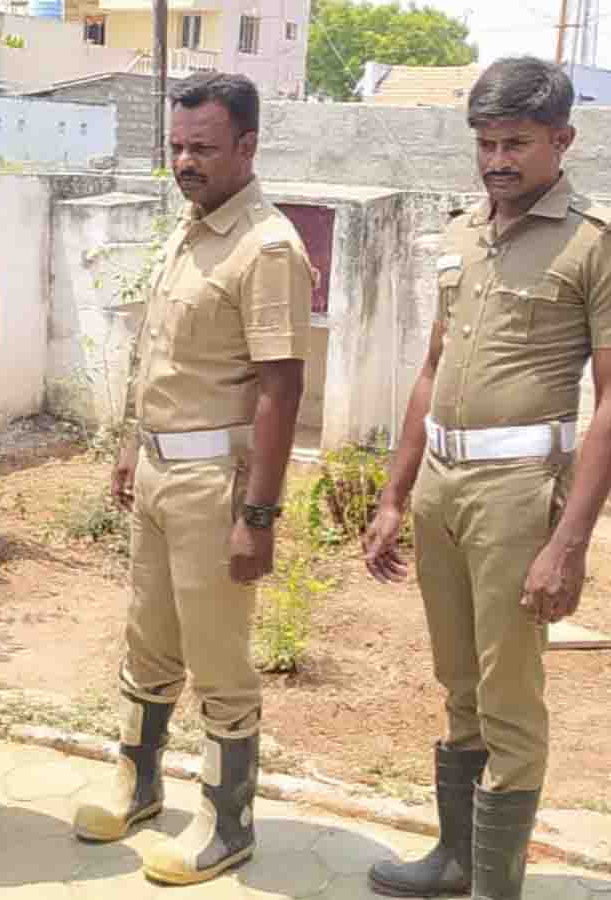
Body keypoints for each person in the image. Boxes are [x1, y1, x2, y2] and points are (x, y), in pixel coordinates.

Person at [362, 57, 611, 900]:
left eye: (515, 143)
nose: (497, 159)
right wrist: (395, 494)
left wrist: (569, 542)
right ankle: (457, 858)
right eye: (485, 143)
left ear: (561, 141)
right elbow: (431, 367)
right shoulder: (464, 232)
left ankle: (497, 885)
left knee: (509, 691)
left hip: (518, 490)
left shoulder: (591, 244)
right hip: (442, 480)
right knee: (458, 678)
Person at [71, 73, 313, 886]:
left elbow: (282, 386)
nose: (185, 161)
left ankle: (226, 822)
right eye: (177, 146)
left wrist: (260, 514)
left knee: (218, 659)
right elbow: (162, 360)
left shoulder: (266, 246)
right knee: (147, 641)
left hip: (217, 482)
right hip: (160, 471)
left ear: (247, 146)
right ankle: (136, 787)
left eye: (202, 148)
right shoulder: (191, 230)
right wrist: (131, 446)